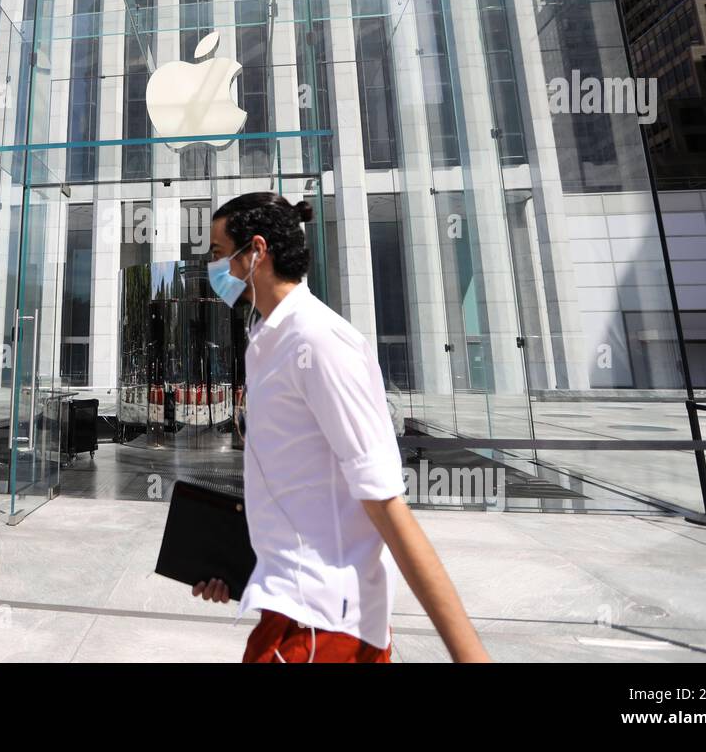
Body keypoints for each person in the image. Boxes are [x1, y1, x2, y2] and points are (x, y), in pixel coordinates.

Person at [193, 192, 489, 663]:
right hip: (288, 613)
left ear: (256, 251)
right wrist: (244, 570)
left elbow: (386, 503)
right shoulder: (265, 340)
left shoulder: (320, 341)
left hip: (323, 629)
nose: (211, 265)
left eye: (216, 251)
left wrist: (471, 656)